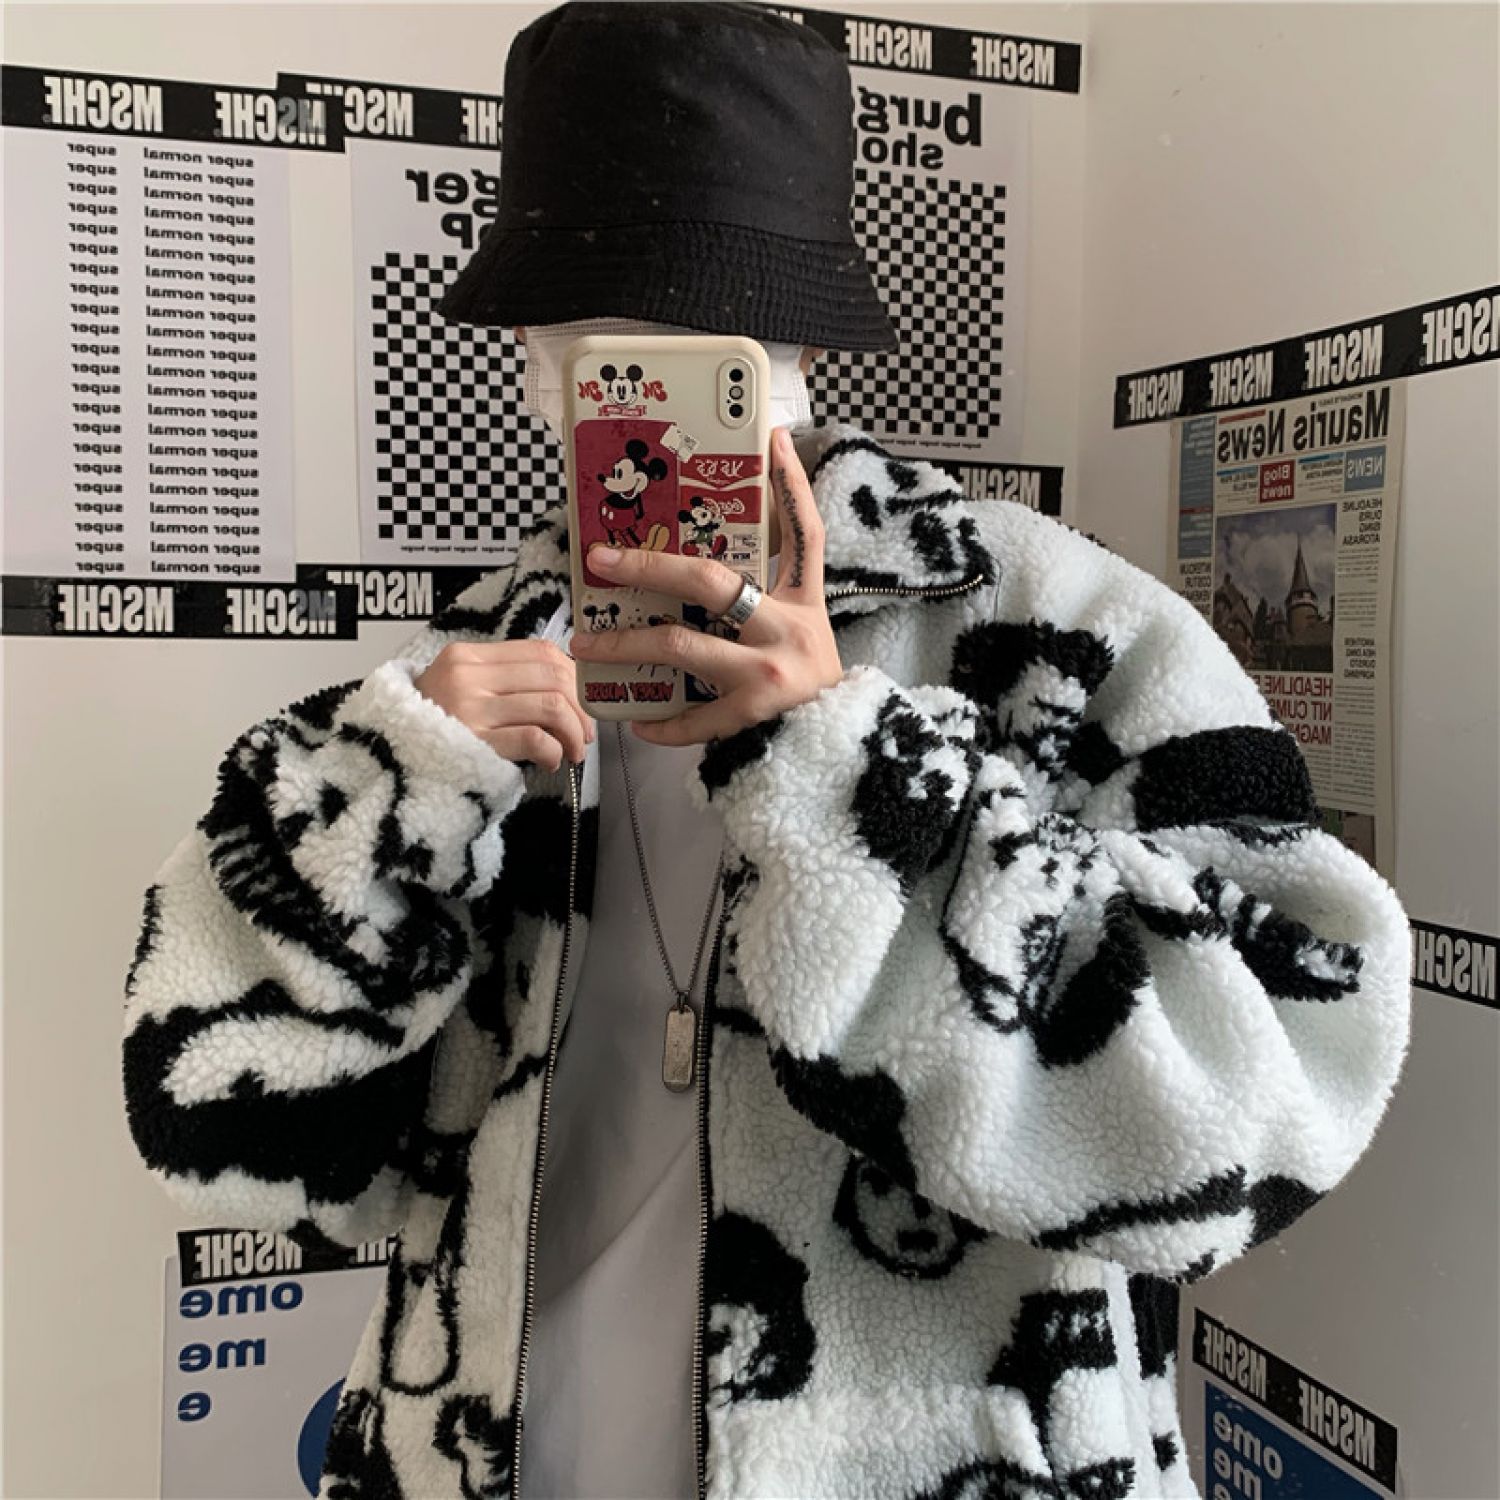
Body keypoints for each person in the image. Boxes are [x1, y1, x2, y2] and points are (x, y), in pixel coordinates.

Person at [119, 5, 1414, 1499]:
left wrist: (863, 783)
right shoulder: (473, 677)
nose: (626, 374)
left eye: (692, 340)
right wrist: (379, 802)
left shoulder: (1050, 625)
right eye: (585, 331)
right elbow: (241, 1144)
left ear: (793, 354)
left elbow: (1283, 1088)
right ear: (531, 355)